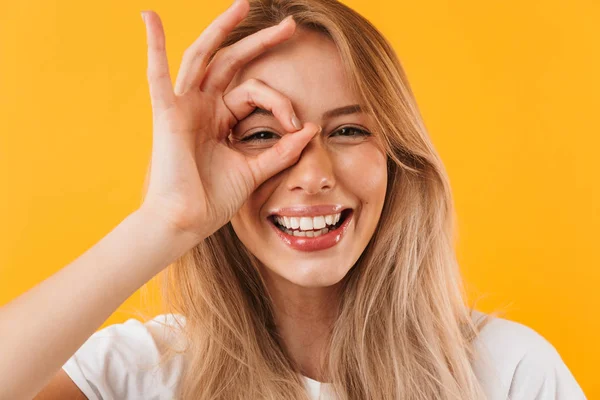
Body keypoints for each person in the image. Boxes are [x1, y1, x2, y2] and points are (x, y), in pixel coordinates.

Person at [0, 0, 586, 399]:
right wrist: (163, 223)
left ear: (398, 157)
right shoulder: (142, 370)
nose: (312, 175)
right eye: (262, 135)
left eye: (349, 130)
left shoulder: (507, 371)